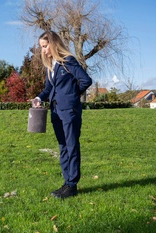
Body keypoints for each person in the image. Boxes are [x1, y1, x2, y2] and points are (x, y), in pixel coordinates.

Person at [32, 31, 92, 199]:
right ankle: (67, 183)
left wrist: (72, 97)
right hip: (56, 112)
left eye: (45, 46)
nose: (43, 50)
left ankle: (72, 185)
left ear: (54, 43)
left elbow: (86, 80)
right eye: (41, 47)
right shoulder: (50, 66)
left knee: (71, 146)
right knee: (63, 147)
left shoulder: (68, 61)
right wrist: (39, 98)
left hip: (69, 111)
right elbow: (48, 89)